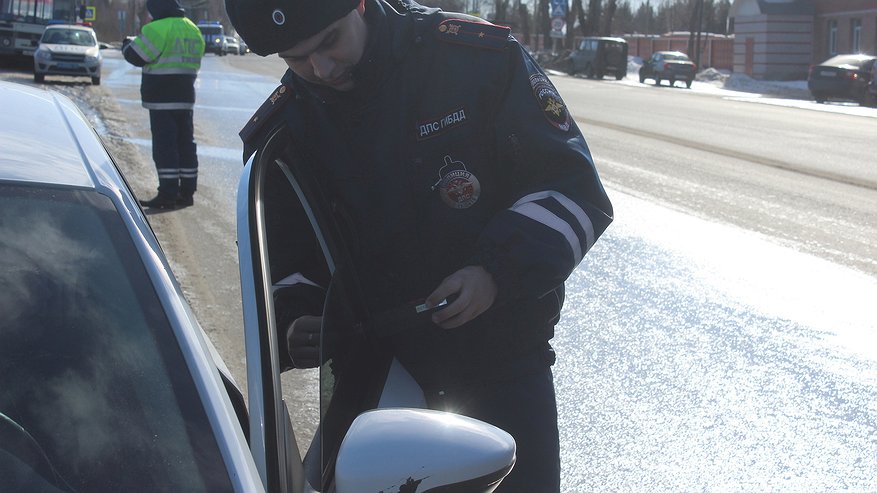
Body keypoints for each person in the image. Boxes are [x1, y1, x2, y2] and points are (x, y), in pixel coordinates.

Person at [226, 0, 614, 490]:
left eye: (329, 42)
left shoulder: (475, 60)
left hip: (501, 364)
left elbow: (572, 189)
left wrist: (492, 271)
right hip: (373, 375)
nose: (320, 69)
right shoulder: (286, 127)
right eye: (295, 59)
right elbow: (287, 252)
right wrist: (296, 318)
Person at [123, 0, 205, 209]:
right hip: (185, 97)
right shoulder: (192, 28)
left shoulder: (156, 28)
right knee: (186, 144)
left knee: (165, 146)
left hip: (161, 98)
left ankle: (167, 193)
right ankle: (186, 193)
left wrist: (126, 44)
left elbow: (136, 55)